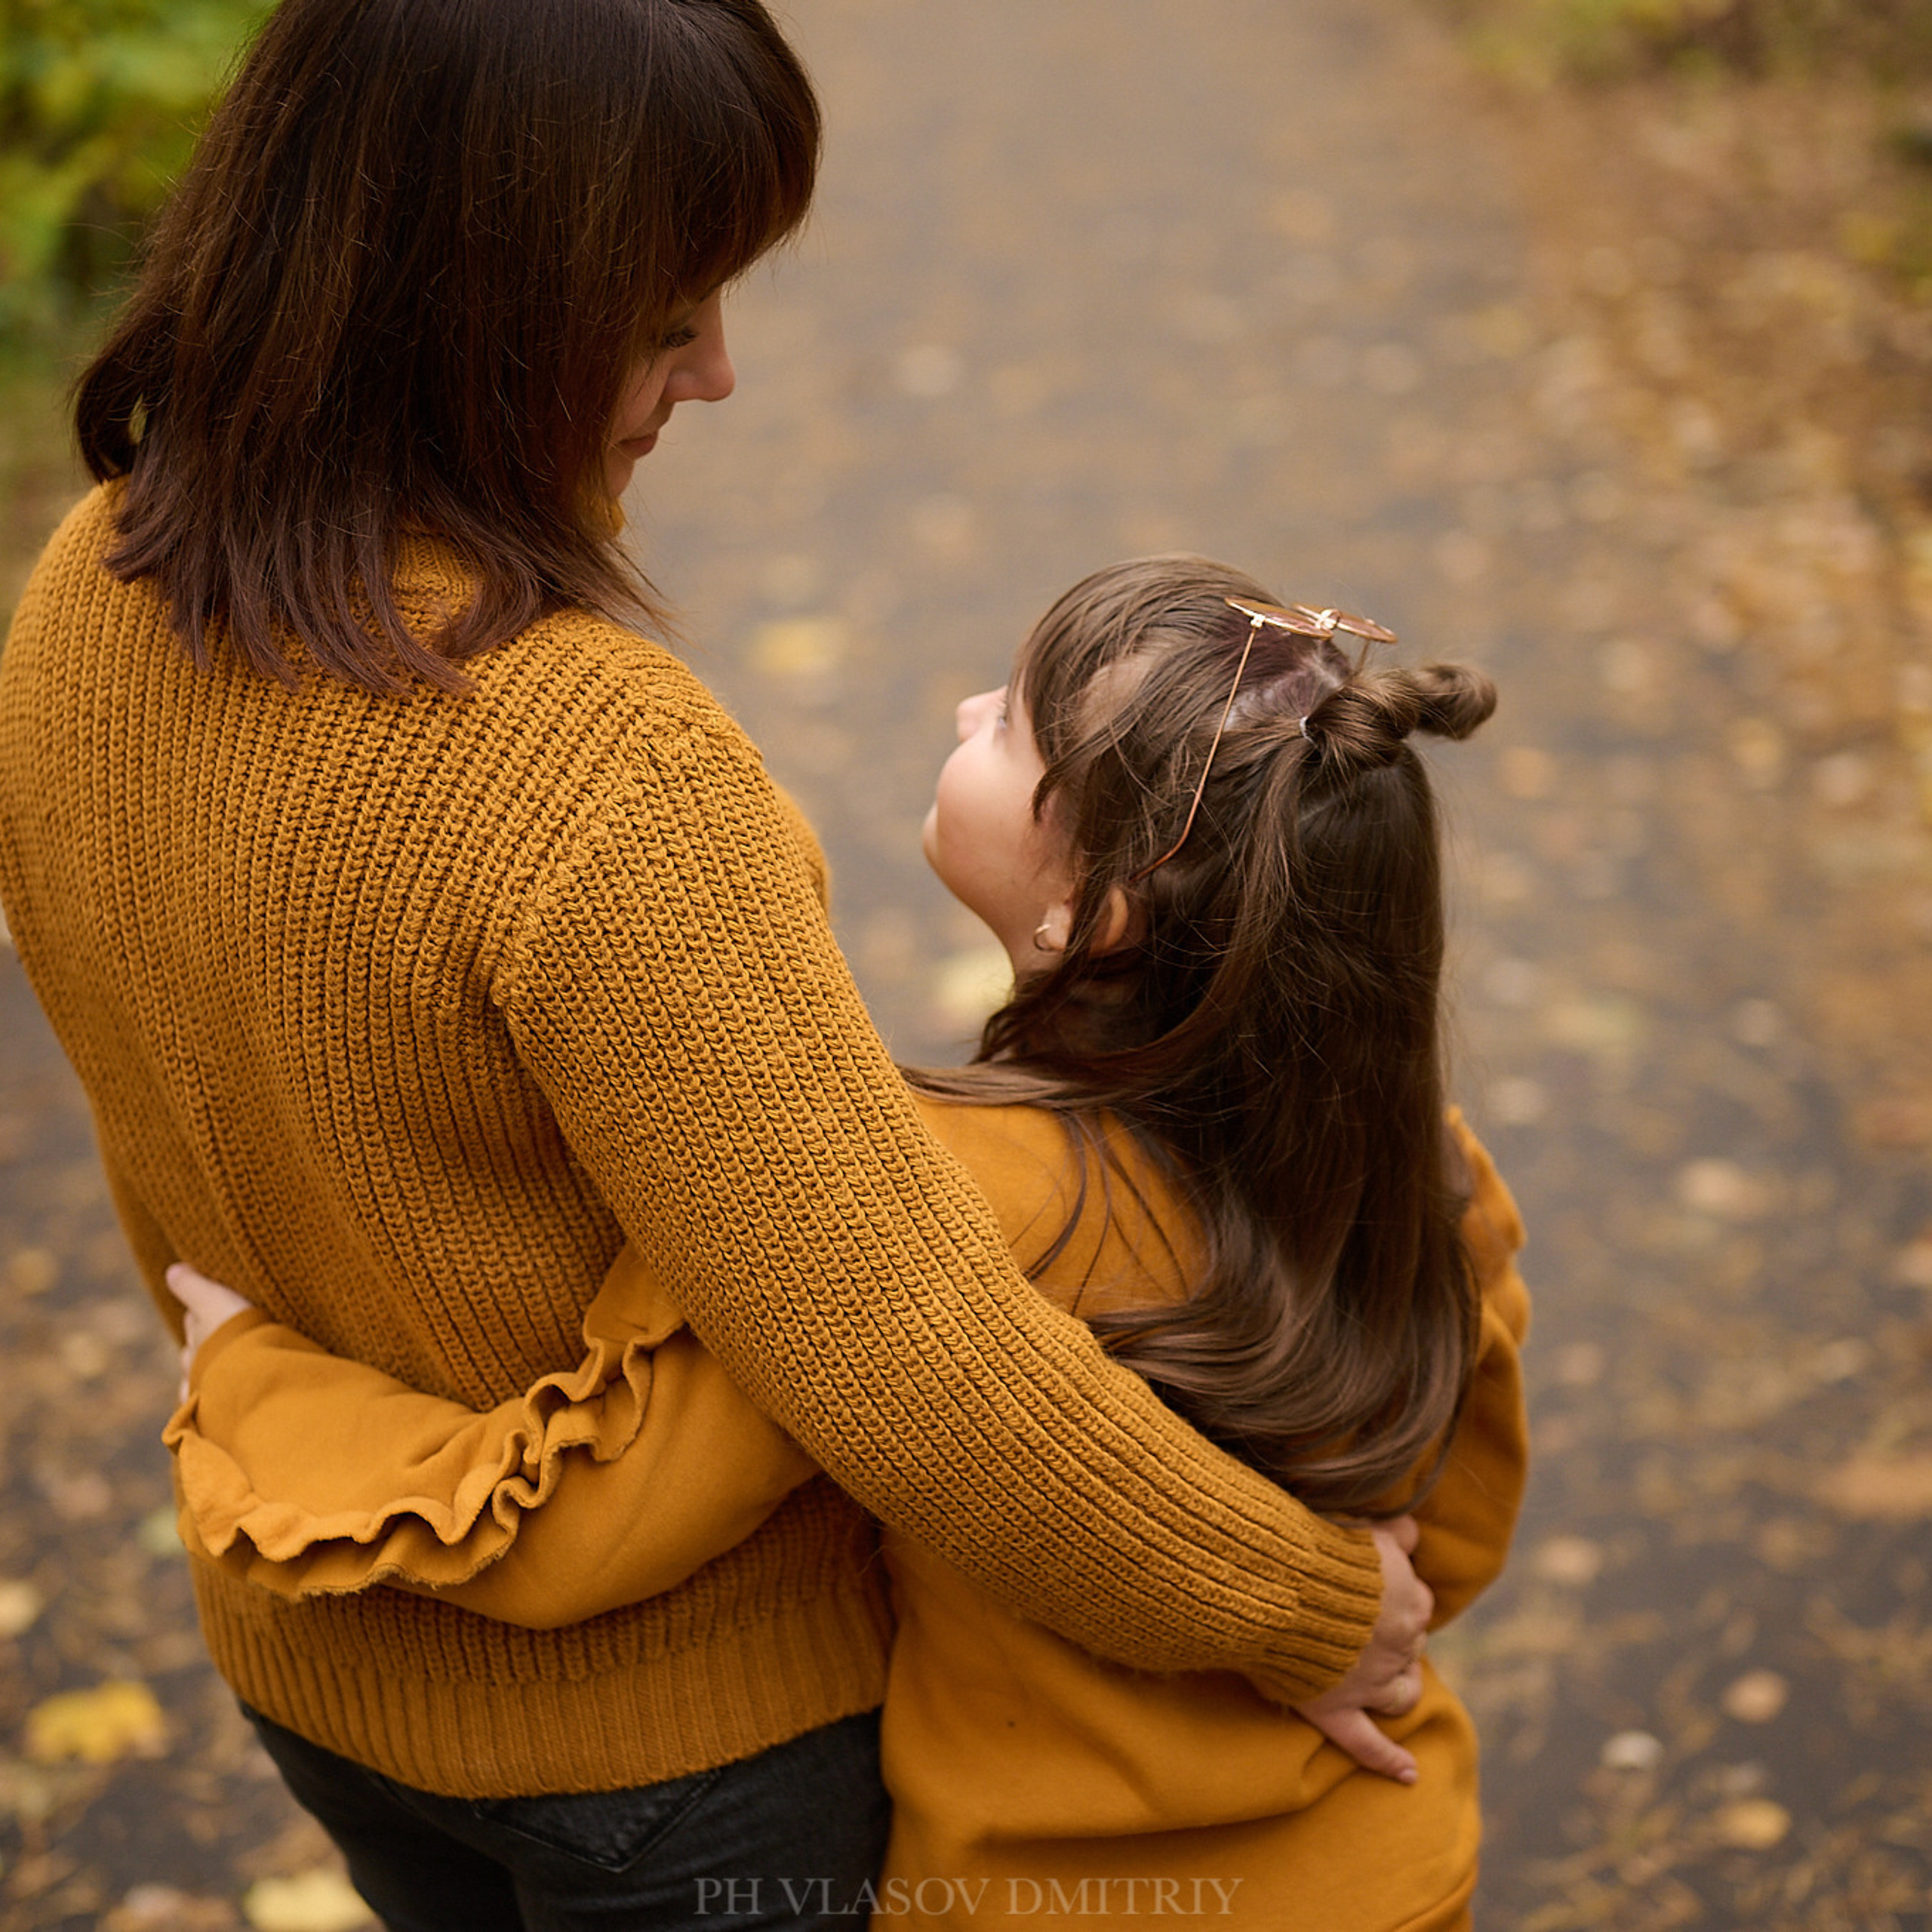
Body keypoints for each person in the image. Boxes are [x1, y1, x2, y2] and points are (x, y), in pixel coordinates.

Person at [0, 0, 1432, 1924]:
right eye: (669, 316)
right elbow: (912, 1364)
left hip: (310, 1653)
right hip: (683, 1770)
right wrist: (1301, 1605)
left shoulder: (80, 590)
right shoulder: (592, 764)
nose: (722, 372)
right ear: (476, 309)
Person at [167, 557, 1530, 1930]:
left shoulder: (933, 1197)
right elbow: (1448, 1548)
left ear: (1099, 912)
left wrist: (254, 1382)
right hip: (1398, 1866)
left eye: (1012, 730)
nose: (962, 707)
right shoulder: (1434, 1175)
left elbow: (596, 1521)